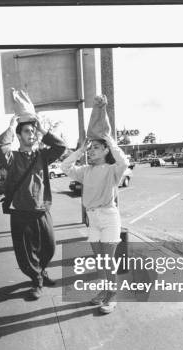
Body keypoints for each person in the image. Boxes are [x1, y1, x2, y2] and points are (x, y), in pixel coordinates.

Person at [61, 107, 129, 314]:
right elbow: (65, 166)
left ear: (106, 150)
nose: (91, 151)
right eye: (90, 149)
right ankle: (104, 291)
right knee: (101, 261)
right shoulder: (85, 171)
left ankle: (112, 296)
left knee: (108, 260)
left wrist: (110, 141)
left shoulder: (112, 170)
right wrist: (80, 150)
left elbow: (124, 161)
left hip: (109, 217)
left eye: (96, 148)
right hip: (93, 219)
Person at [0, 115, 66, 299]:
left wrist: (42, 130)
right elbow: (1, 148)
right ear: (19, 136)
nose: (32, 134)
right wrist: (11, 127)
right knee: (26, 252)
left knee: (49, 246)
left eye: (33, 131)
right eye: (27, 131)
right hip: (20, 212)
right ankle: (36, 281)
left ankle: (41, 271)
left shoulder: (42, 156)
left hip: (42, 209)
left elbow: (61, 147)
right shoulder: (13, 158)